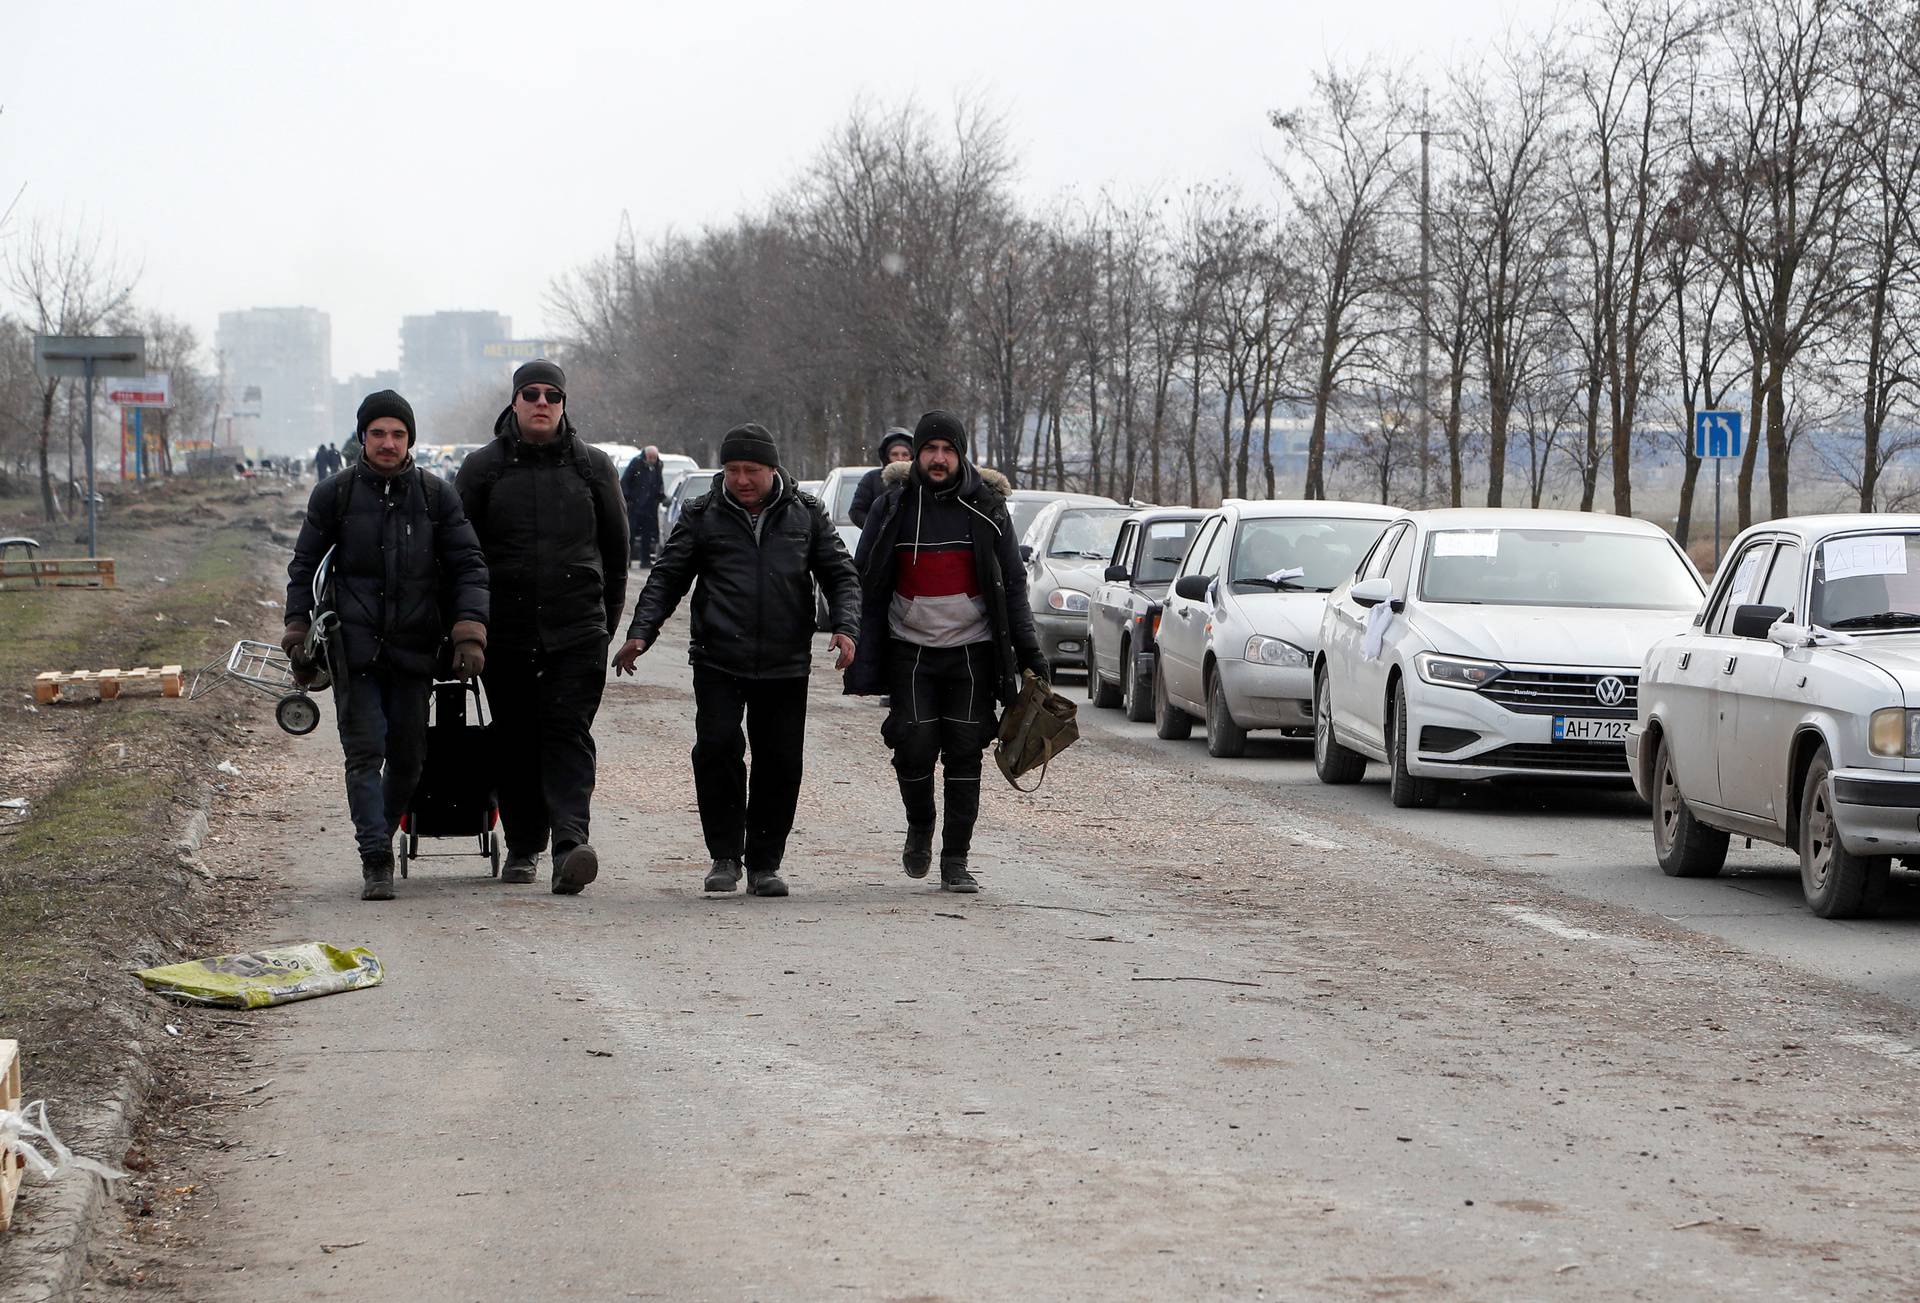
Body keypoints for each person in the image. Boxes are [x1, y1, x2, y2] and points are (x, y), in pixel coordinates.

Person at [613, 424, 859, 898]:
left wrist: (847, 627)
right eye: (732, 470)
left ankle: (765, 863)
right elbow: (667, 577)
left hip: (785, 661)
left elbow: (841, 575)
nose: (741, 480)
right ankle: (725, 855)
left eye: (751, 470)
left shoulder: (805, 515)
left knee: (780, 761)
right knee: (717, 748)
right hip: (718, 658)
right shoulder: (703, 514)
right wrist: (641, 633)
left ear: (772, 469)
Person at [283, 391, 489, 901]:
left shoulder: (437, 497)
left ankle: (385, 829)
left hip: (416, 648)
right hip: (352, 652)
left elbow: (468, 566)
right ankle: (374, 856)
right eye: (378, 433)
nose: (388, 443)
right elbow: (304, 567)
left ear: (409, 440)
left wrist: (468, 630)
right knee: (363, 753)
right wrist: (296, 631)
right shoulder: (333, 495)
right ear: (363, 438)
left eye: (398, 434)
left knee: (409, 756)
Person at [844, 409, 1046, 893]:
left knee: (964, 753)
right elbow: (862, 576)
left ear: (961, 456)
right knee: (911, 744)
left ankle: (955, 859)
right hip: (909, 650)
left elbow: (1012, 586)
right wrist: (849, 629)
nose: (938, 459)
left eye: (947, 451)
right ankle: (920, 826)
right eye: (930, 449)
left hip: (973, 652)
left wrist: (1029, 652)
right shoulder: (891, 506)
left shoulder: (987, 508)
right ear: (916, 454)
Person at [455, 360, 628, 894]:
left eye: (552, 394)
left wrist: (604, 626)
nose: (541, 402)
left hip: (577, 632)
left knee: (567, 733)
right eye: (530, 393)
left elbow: (617, 555)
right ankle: (524, 847)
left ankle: (571, 844)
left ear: (563, 403)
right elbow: (460, 555)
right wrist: (466, 628)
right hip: (504, 633)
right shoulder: (483, 469)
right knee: (516, 739)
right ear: (514, 401)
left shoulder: (592, 467)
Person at [848, 426, 914, 529]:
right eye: (894, 454)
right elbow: (856, 511)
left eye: (905, 454)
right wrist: (878, 529)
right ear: (887, 456)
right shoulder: (871, 479)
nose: (900, 459)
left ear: (912, 456)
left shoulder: (920, 479)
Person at [620, 445, 666, 564]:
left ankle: (645, 559)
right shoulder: (636, 463)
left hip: (649, 506)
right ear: (645, 456)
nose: (652, 460)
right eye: (650, 457)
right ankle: (627, 559)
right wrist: (628, 498)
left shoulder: (658, 466)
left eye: (654, 458)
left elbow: (659, 482)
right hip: (635, 505)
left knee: (647, 535)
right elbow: (625, 481)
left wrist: (659, 496)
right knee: (631, 534)